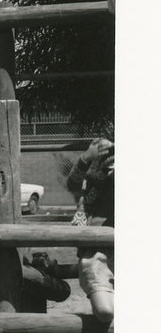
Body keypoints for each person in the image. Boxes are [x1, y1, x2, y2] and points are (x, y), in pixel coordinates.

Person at [66, 138, 114, 322]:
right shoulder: (96, 179)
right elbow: (72, 184)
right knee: (105, 310)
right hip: (95, 251)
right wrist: (86, 158)